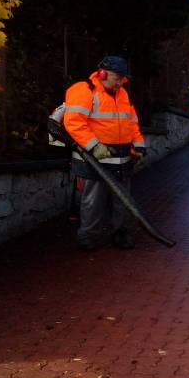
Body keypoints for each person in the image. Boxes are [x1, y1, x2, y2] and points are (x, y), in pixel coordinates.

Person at [63, 56, 146, 250]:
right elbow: (74, 122)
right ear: (102, 73)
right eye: (117, 77)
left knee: (122, 201)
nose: (120, 82)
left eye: (123, 78)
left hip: (122, 159)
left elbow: (131, 123)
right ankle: (88, 237)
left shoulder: (122, 94)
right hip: (95, 160)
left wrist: (139, 146)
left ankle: (120, 233)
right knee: (93, 201)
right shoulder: (84, 90)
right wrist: (94, 146)